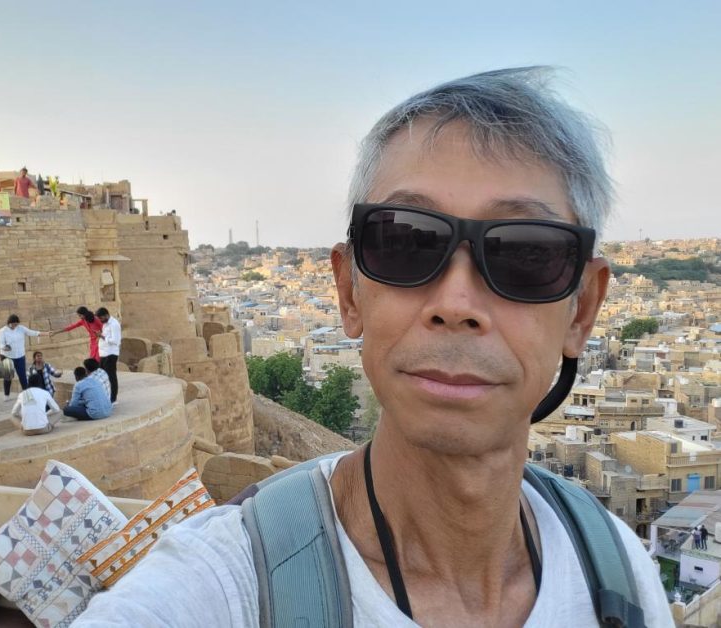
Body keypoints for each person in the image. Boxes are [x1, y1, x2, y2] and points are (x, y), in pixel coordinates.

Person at [74, 68, 672, 627]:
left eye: (524, 252)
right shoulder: (227, 585)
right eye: (405, 241)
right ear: (349, 292)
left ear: (583, 309)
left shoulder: (618, 574)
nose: (457, 302)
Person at [0, 314, 44, 401]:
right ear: (9, 323)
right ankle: (6, 394)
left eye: (16, 324)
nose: (15, 326)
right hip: (7, 357)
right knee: (8, 376)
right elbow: (0, 344)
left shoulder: (21, 328)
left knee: (22, 375)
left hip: (20, 356)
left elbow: (31, 332)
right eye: (13, 324)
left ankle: (26, 393)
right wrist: (5, 347)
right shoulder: (2, 331)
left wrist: (42, 334)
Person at [95, 307, 121, 404]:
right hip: (103, 353)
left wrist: (101, 336)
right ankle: (106, 396)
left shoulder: (114, 324)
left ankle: (113, 399)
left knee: (111, 377)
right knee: (102, 376)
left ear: (106, 315)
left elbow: (115, 341)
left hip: (111, 354)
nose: (100, 321)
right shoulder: (105, 324)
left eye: (101, 318)